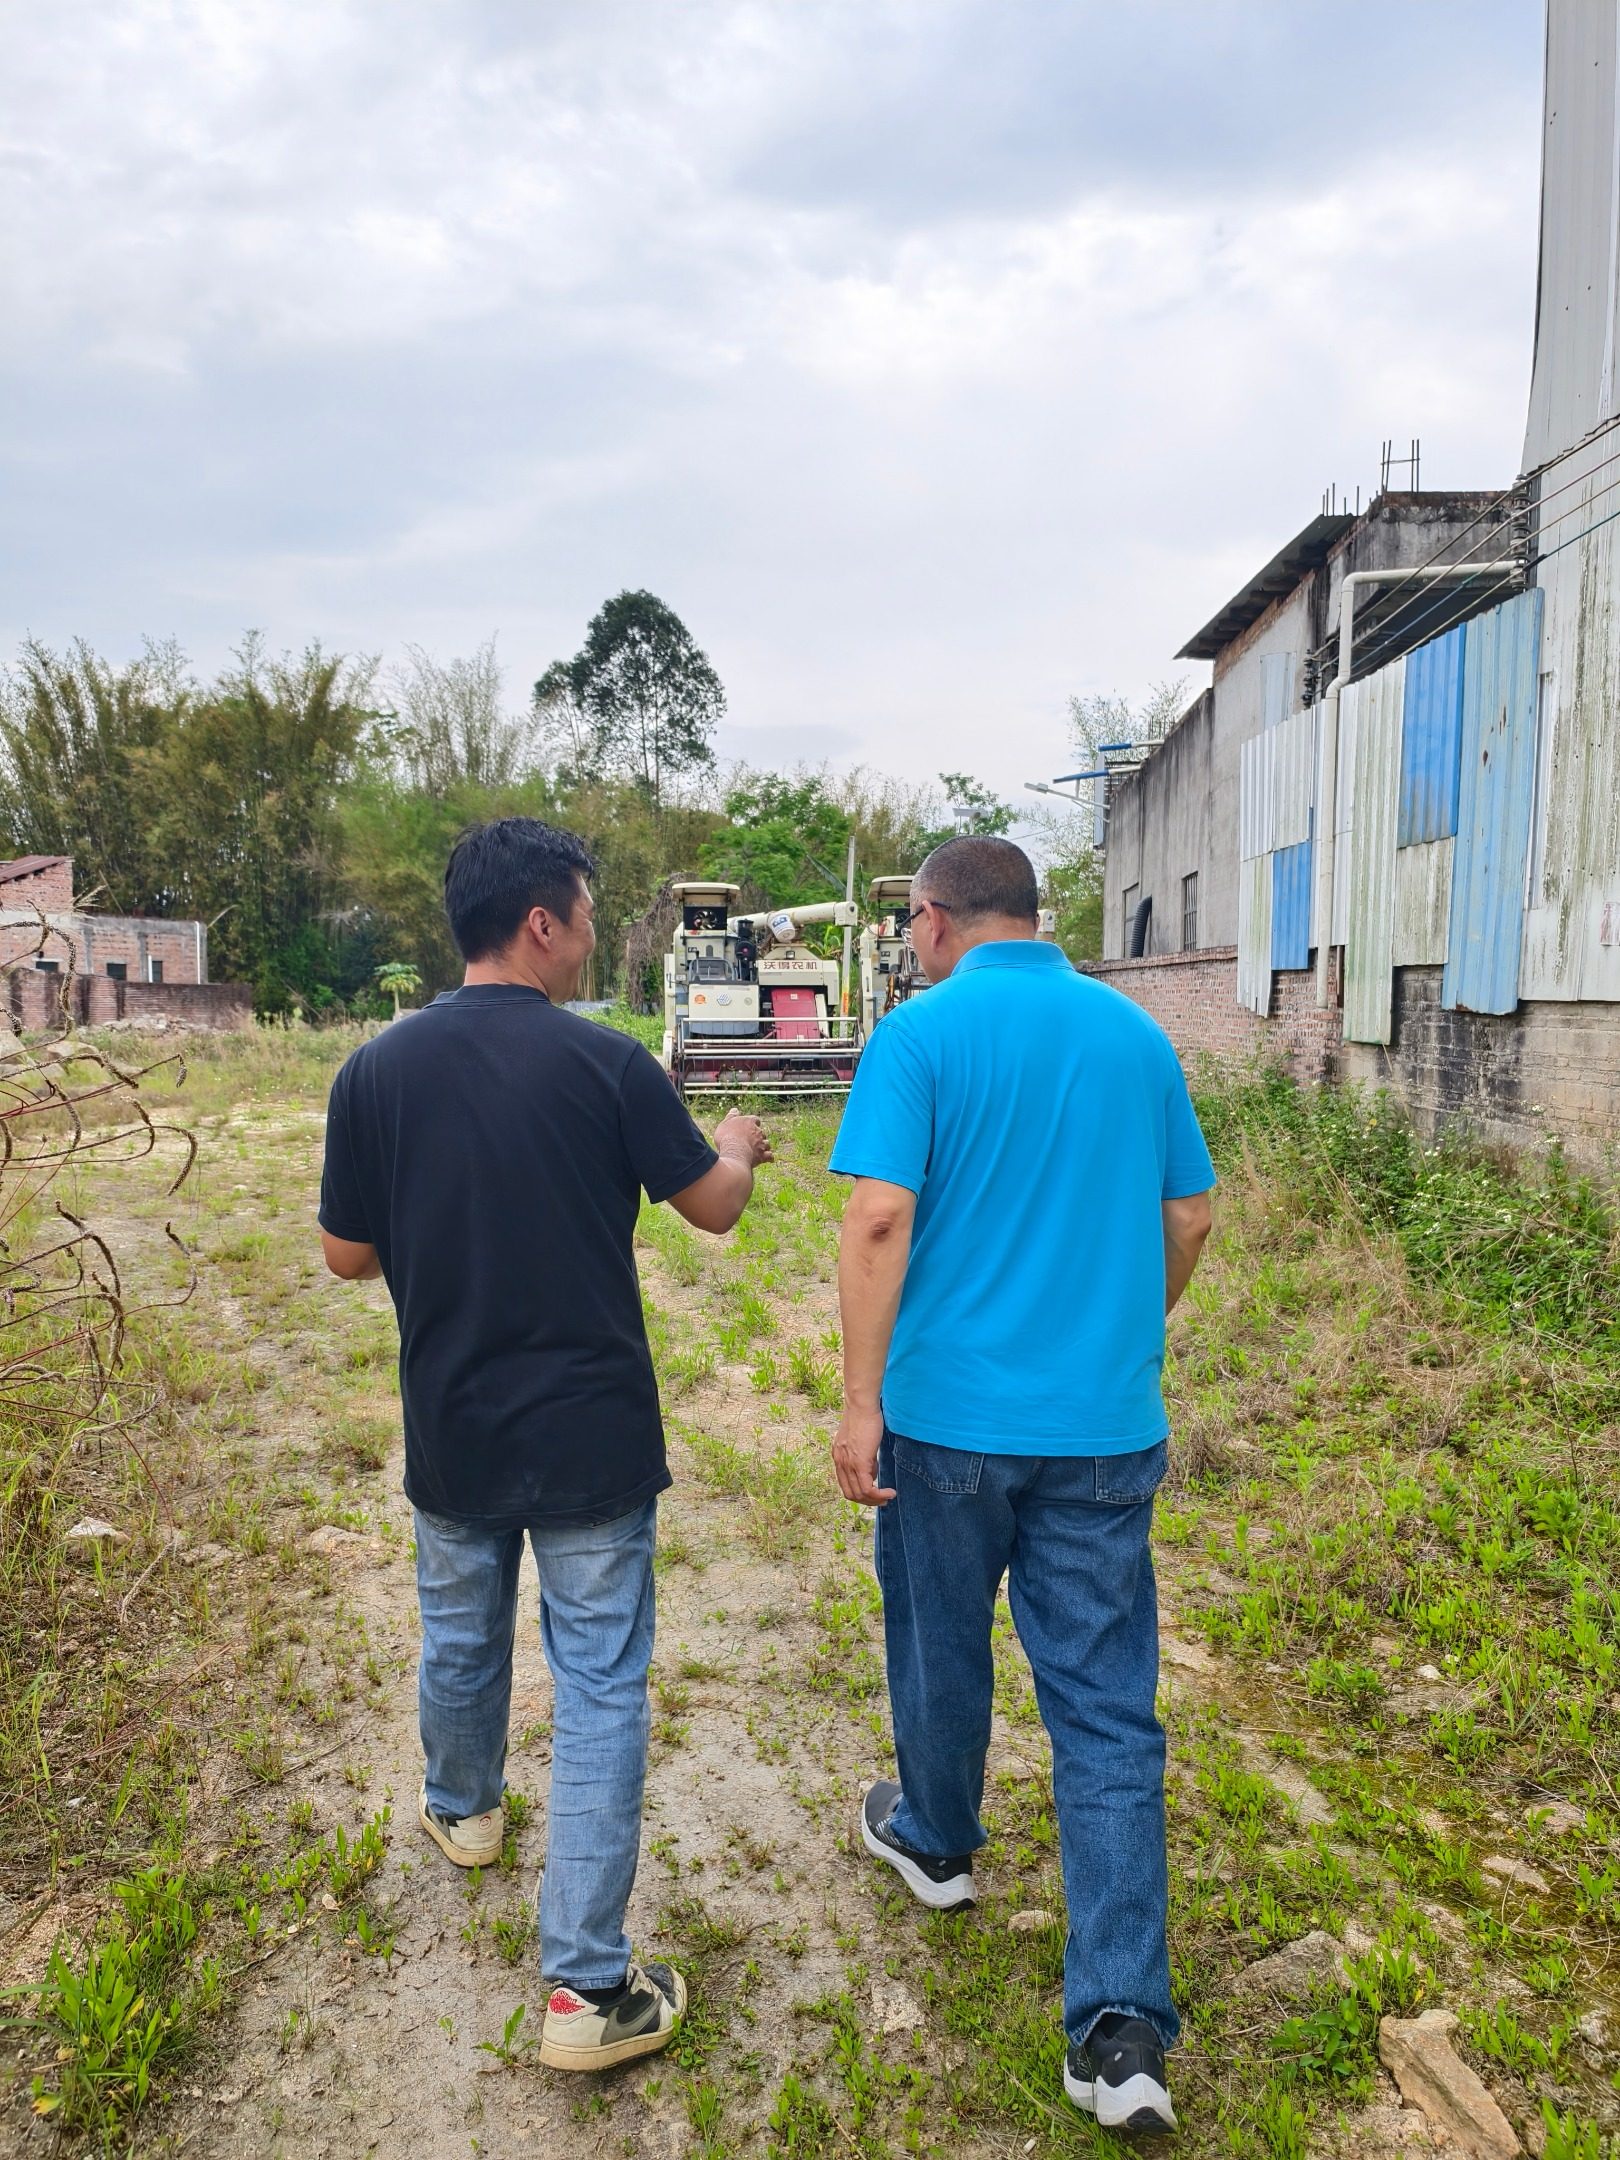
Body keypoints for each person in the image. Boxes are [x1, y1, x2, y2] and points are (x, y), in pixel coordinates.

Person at [317, 817, 771, 2074]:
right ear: (539, 922)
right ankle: (585, 1988)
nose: (588, 940)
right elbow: (716, 1210)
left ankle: (464, 1813)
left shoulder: (373, 1074)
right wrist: (735, 1144)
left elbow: (345, 1256)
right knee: (601, 1685)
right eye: (586, 917)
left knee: (460, 1634)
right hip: (592, 1436)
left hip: (452, 1422)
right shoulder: (611, 1065)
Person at [828, 834, 1213, 2136]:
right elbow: (1190, 1217)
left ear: (934, 922)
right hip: (1101, 1425)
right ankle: (1121, 2033)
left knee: (941, 1638)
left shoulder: (919, 1038)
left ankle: (937, 1840)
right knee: (1104, 1708)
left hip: (947, 1422)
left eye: (911, 927)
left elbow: (879, 1217)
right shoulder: (1135, 1036)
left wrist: (859, 1402)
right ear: (1035, 917)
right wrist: (1124, 1332)